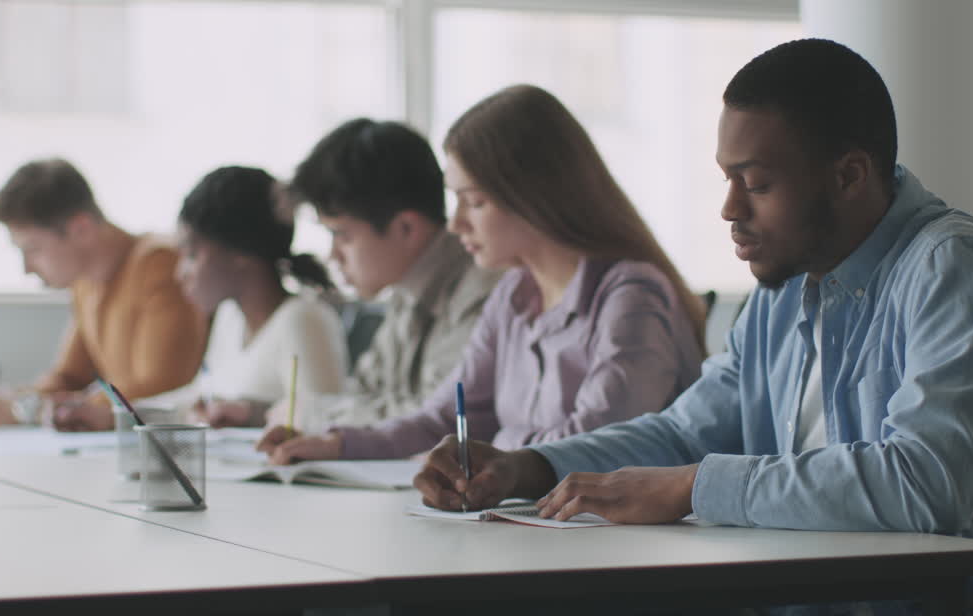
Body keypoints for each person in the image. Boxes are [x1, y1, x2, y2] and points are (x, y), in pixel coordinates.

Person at [414, 40, 973, 607]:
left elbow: (928, 483)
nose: (728, 209)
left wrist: (694, 486)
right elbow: (687, 430)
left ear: (849, 176)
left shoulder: (953, 267)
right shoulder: (786, 284)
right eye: (726, 177)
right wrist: (529, 466)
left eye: (757, 183)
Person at [260, 85, 706, 463]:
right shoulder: (513, 295)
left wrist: (499, 450)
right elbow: (444, 419)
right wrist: (336, 445)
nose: (455, 225)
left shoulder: (630, 296)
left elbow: (597, 445)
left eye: (473, 202)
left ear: (534, 197)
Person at [261, 118, 501, 437]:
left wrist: (312, 415)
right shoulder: (406, 293)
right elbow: (363, 395)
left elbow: (437, 419)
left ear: (406, 228)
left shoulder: (484, 292)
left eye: (342, 236)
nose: (333, 256)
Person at [0, 158, 209, 431]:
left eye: (33, 250)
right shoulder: (85, 283)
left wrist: (24, 411)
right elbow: (68, 377)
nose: (27, 268)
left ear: (81, 228)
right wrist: (9, 401)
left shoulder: (159, 264)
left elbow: (160, 388)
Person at [170, 166, 348, 430]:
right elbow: (195, 398)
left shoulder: (303, 319)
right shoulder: (230, 317)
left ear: (239, 252)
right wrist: (120, 411)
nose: (179, 273)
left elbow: (327, 425)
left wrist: (253, 414)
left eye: (193, 255)